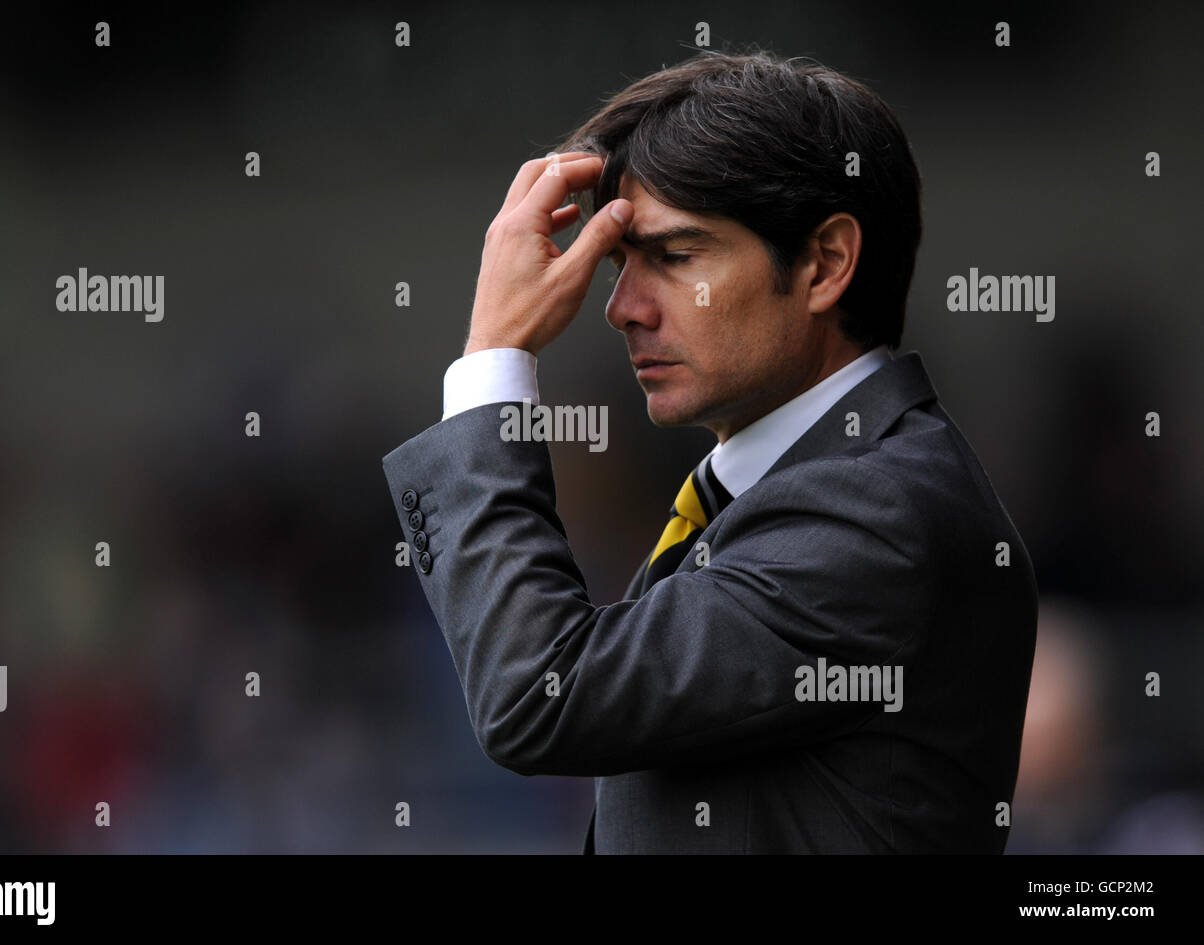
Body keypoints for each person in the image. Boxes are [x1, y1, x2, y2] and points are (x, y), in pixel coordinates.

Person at [382, 50, 1038, 853]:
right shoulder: (789, 489)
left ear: (825, 262)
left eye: (676, 257)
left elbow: (539, 695)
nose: (620, 308)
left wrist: (493, 360)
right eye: (622, 264)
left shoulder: (878, 509)